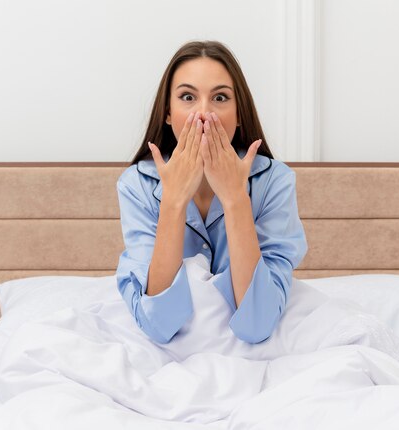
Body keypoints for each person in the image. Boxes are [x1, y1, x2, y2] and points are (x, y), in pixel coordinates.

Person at [115, 40, 307, 345]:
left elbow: (257, 323)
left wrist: (234, 199)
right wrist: (174, 201)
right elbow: (158, 324)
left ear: (239, 113)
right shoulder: (137, 185)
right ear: (167, 113)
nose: (204, 114)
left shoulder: (274, 182)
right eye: (188, 97)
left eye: (219, 98)